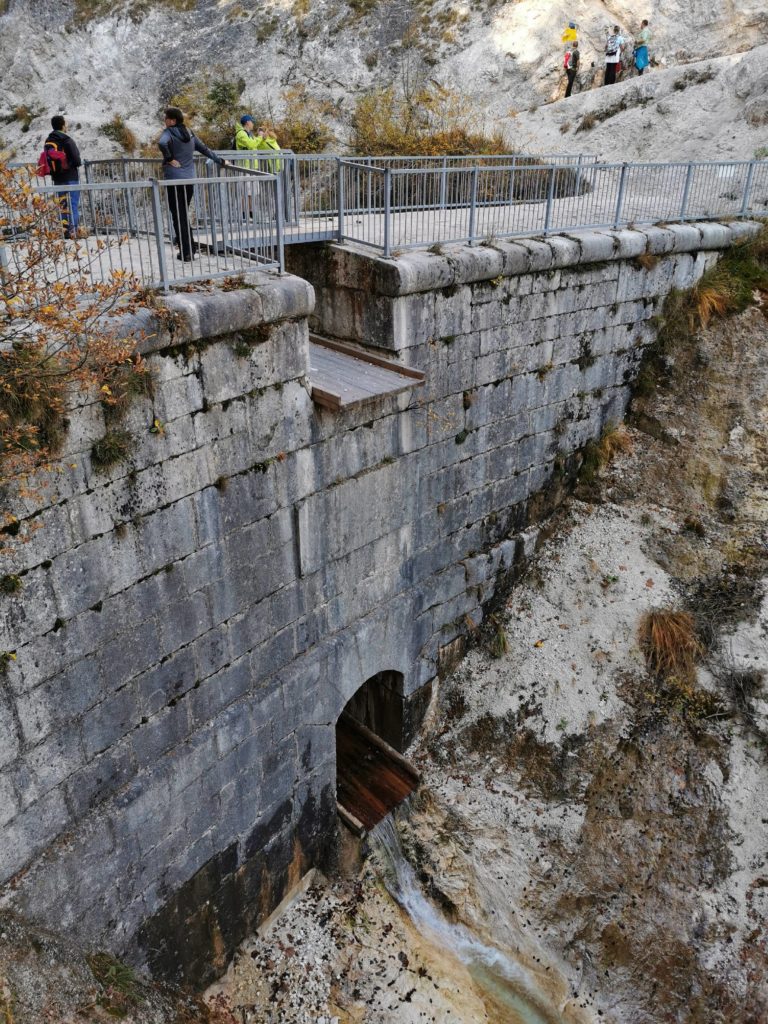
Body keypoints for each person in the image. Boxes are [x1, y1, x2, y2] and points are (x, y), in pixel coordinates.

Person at [157, 106, 227, 261]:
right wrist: (220, 160)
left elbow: (162, 143)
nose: (165, 120)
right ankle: (190, 247)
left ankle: (186, 252)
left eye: (166, 118)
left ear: (172, 120)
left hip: (174, 180)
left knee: (177, 215)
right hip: (189, 180)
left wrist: (168, 159)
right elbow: (205, 149)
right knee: (183, 214)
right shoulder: (190, 133)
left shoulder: (168, 133)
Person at [45, 115, 82, 239]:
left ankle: (65, 231)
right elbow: (77, 160)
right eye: (65, 123)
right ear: (62, 125)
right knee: (73, 204)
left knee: (62, 205)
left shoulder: (49, 141)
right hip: (70, 177)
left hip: (57, 178)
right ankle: (73, 232)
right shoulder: (67, 140)